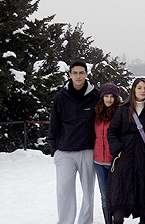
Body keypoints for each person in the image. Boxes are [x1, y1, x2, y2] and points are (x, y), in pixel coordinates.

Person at [48, 59, 100, 224]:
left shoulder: (95, 96)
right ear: (69, 75)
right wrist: (54, 150)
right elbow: (54, 124)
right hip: (65, 152)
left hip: (87, 151)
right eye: (75, 73)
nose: (78, 76)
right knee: (64, 191)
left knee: (88, 193)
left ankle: (85, 222)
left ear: (86, 74)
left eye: (81, 73)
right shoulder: (61, 97)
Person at [107, 78, 145, 224]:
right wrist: (117, 150)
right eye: (139, 87)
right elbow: (112, 132)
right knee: (120, 195)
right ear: (133, 89)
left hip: (143, 160)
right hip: (125, 159)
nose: (142, 91)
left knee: (143, 194)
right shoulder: (123, 109)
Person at [94, 83, 120, 224]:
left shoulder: (119, 113)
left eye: (112, 96)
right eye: (106, 96)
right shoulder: (96, 113)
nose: (109, 99)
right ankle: (107, 221)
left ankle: (117, 219)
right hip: (98, 160)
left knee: (114, 193)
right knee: (104, 194)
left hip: (114, 160)